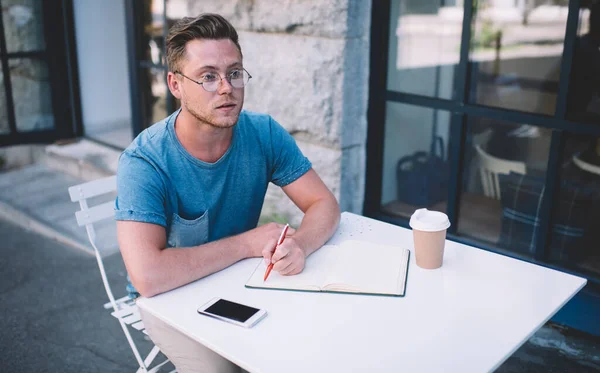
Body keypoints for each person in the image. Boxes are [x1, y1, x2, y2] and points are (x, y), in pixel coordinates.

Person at [115, 13, 340, 373]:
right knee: (231, 368)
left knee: (315, 342)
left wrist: (301, 244)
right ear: (175, 84)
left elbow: (323, 203)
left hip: (239, 282)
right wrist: (247, 245)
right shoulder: (144, 161)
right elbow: (148, 276)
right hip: (166, 301)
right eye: (207, 77)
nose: (226, 88)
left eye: (234, 73)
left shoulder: (263, 133)